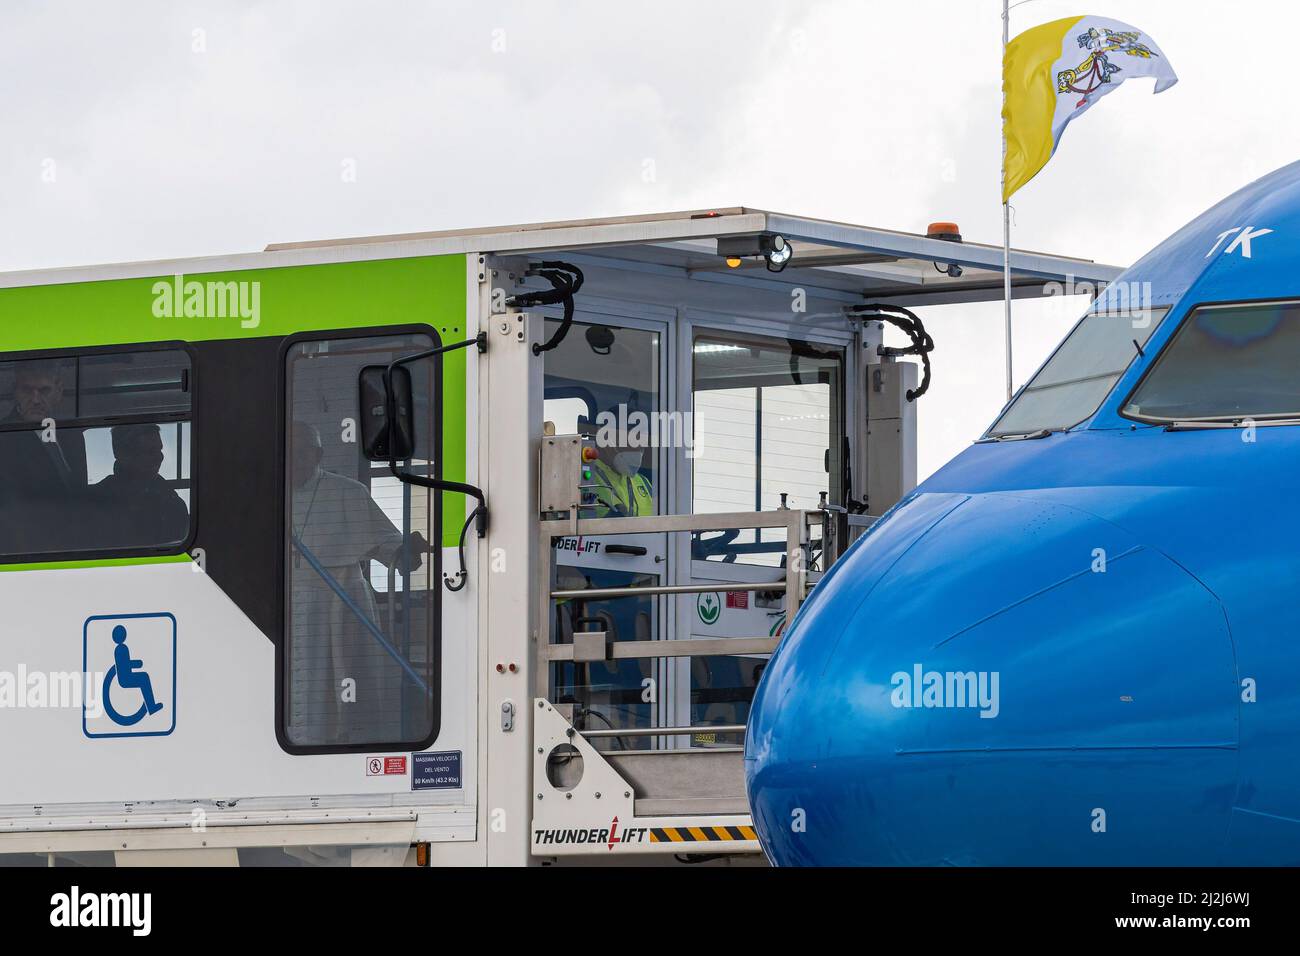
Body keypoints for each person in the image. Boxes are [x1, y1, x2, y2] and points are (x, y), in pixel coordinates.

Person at [286, 421, 430, 746]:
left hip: (339, 602)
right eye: (289, 452)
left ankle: (346, 741)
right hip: (289, 605)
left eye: (301, 452)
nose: (293, 460)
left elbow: (385, 541)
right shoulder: (268, 494)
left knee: (343, 678)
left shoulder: (348, 492)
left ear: (318, 453)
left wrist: (405, 549)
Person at [0, 361, 88, 553]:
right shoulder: (4, 438)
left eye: (44, 391)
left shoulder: (72, 435)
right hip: (30, 553)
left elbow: (79, 494)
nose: (36, 399)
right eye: (27, 390)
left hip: (74, 548)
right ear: (14, 392)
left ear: (59, 392)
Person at [89, 424, 189, 547]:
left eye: (159, 450)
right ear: (123, 455)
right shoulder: (95, 501)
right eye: (150, 451)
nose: (159, 457)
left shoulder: (172, 502)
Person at [111, 624, 163, 716]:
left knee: (144, 676)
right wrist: (138, 663)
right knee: (144, 677)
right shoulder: (122, 649)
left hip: (126, 677)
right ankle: (151, 707)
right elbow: (124, 665)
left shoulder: (119, 649)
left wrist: (135, 664)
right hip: (125, 679)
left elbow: (124, 664)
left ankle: (151, 707)